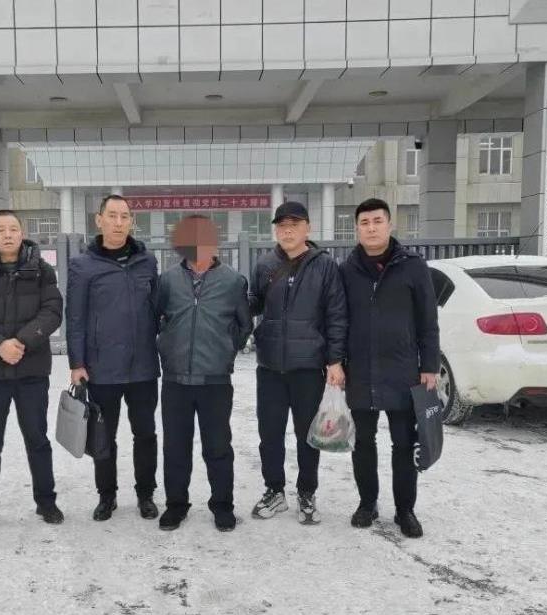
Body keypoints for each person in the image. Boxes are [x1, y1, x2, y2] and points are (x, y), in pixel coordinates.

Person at [339, 197, 439, 539]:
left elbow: (428, 320)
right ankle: (367, 503)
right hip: (360, 372)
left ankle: (405, 509)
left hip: (402, 371)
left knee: (404, 443)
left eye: (377, 221)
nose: (371, 228)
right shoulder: (347, 270)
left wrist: (429, 365)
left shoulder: (412, 266)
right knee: (362, 443)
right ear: (357, 228)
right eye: (364, 222)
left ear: (389, 224)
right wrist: (336, 362)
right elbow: (338, 320)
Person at [0, 210, 64, 530]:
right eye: (1, 229)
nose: (8, 235)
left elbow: (52, 311)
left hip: (31, 371)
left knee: (37, 439)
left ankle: (46, 502)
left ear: (22, 233)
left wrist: (21, 341)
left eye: (13, 229)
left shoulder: (41, 271)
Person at [248, 201, 347, 524]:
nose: (287, 231)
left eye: (294, 225)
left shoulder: (324, 266)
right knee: (270, 433)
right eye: (281, 226)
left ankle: (306, 492)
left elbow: (336, 314)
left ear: (307, 228)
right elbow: (254, 304)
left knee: (307, 435)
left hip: (308, 367)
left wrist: (335, 360)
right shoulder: (265, 264)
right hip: (270, 367)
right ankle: (274, 490)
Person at [65, 195, 161, 521]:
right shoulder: (82, 266)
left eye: (124, 217)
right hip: (102, 368)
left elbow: (157, 309)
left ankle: (146, 494)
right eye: (112, 216)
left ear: (131, 221)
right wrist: (77, 363)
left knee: (145, 434)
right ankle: (107, 497)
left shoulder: (147, 262)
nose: (119, 222)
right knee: (104, 437)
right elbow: (75, 317)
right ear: (99, 220)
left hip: (143, 367)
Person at [155, 216, 253, 532]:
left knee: (218, 447)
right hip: (176, 381)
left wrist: (225, 351)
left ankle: (222, 506)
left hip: (215, 381)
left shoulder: (233, 282)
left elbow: (244, 325)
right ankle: (176, 505)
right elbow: (155, 318)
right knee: (175, 447)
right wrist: (168, 349)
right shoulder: (167, 280)